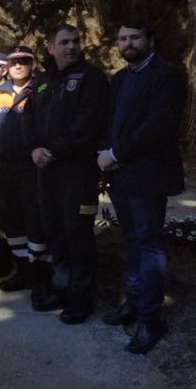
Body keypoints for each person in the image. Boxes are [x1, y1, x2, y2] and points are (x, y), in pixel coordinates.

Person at [97, 20, 187, 354]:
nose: (128, 44)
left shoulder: (168, 75)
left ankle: (151, 319)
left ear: (150, 38)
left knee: (149, 245)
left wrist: (115, 153)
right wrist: (107, 153)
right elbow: (109, 123)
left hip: (148, 176)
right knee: (131, 241)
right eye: (122, 39)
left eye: (135, 37)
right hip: (121, 175)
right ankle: (132, 303)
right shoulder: (120, 78)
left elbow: (159, 127)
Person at [22, 24, 109, 324]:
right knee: (55, 232)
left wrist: (53, 151)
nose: (71, 47)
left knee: (78, 234)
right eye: (64, 42)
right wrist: (34, 148)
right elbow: (28, 118)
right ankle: (60, 288)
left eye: (75, 41)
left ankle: (81, 298)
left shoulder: (91, 77)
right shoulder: (43, 81)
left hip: (78, 173)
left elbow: (88, 123)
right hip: (47, 173)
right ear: (50, 47)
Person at [0, 46, 51, 303]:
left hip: (31, 168)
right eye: (13, 62)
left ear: (33, 64)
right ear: (7, 66)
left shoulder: (41, 89)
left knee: (35, 221)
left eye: (24, 61)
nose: (18, 66)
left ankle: (41, 277)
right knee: (11, 222)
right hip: (4, 168)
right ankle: (22, 270)